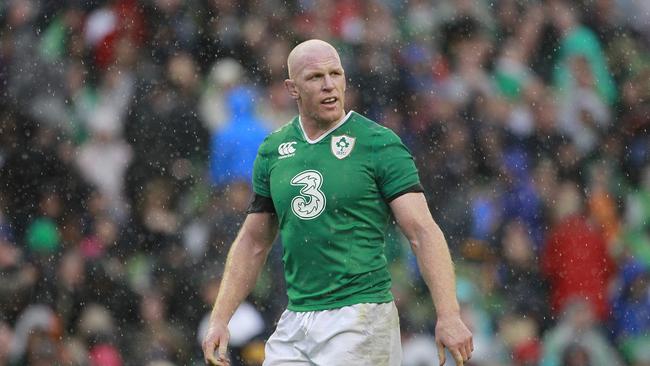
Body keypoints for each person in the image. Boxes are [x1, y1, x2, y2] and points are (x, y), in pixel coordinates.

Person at [202, 39, 473, 366]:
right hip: (296, 320)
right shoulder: (274, 150)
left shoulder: (378, 144)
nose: (329, 84)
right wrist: (220, 318)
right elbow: (252, 241)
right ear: (293, 88)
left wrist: (448, 314)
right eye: (315, 77)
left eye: (336, 73)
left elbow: (422, 231)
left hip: (361, 316)